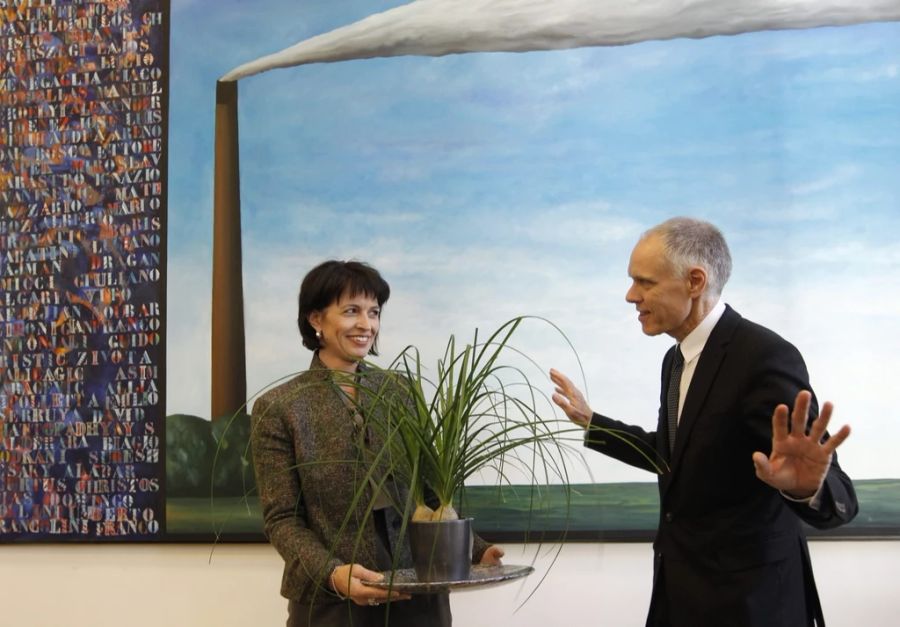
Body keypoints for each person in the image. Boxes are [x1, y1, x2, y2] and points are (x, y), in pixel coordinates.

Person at [550, 218, 857, 627]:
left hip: (750, 606)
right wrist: (593, 423)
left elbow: (839, 495)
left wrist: (807, 488)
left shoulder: (763, 357)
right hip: (681, 595)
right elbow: (675, 454)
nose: (630, 296)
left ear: (695, 281)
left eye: (644, 282)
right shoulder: (674, 360)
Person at [251, 260, 503, 627]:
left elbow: (432, 493)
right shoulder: (279, 407)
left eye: (374, 312)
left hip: (419, 590)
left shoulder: (400, 392)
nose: (366, 325)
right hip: (331, 603)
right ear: (316, 320)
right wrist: (333, 574)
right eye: (351, 311)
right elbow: (282, 520)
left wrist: (476, 550)